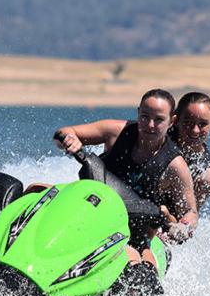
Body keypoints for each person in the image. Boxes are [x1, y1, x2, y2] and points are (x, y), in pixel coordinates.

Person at [53, 89, 199, 249]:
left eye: (159, 120)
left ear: (172, 121)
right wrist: (70, 140)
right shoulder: (116, 132)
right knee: (36, 189)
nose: (150, 125)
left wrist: (184, 226)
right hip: (91, 208)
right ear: (138, 113)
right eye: (145, 116)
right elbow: (62, 133)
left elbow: (191, 212)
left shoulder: (175, 165)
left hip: (132, 232)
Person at [170, 92, 210, 211]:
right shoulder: (159, 137)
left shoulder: (205, 175)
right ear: (176, 121)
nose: (195, 130)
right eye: (188, 123)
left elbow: (189, 217)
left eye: (202, 124)